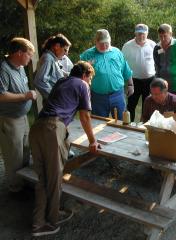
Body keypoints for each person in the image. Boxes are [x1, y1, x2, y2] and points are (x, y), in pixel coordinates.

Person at [29, 61, 100, 237]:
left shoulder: (62, 81)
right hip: (52, 129)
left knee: (43, 178)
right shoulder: (82, 84)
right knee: (54, 179)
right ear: (85, 75)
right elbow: (85, 116)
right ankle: (50, 223)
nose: (90, 82)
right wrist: (92, 141)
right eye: (90, 78)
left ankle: (39, 221)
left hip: (37, 127)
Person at [0, 37, 37, 193]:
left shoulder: (20, 67)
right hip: (9, 119)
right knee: (14, 154)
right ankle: (15, 188)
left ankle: (25, 181)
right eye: (29, 54)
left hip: (22, 116)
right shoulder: (3, 69)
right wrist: (25, 96)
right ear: (19, 53)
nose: (30, 58)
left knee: (25, 151)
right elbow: (1, 95)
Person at [80, 29, 133, 119]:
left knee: (122, 122)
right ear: (95, 42)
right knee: (98, 123)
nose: (104, 46)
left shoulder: (117, 52)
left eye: (106, 43)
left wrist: (130, 84)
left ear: (110, 41)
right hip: (97, 97)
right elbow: (80, 76)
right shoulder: (87, 55)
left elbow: (126, 70)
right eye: (101, 44)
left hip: (118, 94)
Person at [122, 24, 156, 122]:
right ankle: (129, 125)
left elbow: (158, 61)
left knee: (148, 106)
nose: (141, 36)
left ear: (147, 34)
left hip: (149, 80)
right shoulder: (127, 46)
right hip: (133, 81)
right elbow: (123, 63)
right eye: (139, 34)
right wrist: (128, 82)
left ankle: (144, 127)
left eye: (143, 34)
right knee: (131, 105)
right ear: (135, 33)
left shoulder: (153, 45)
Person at [34, 33, 71, 100]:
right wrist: (54, 97)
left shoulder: (52, 58)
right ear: (57, 46)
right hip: (54, 101)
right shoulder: (48, 58)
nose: (66, 54)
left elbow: (55, 74)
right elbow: (39, 81)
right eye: (65, 50)